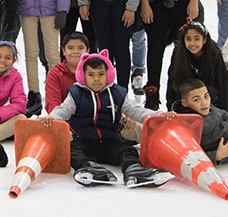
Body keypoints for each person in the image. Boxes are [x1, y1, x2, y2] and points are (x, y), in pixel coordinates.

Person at [41, 51, 172, 188]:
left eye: (101, 74)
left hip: (110, 143)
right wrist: (52, 117)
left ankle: (134, 170)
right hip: (84, 143)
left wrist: (159, 115)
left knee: (128, 150)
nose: (96, 79)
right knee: (69, 150)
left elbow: (136, 111)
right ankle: (89, 168)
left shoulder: (117, 94)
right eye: (91, 75)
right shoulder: (76, 94)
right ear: (83, 75)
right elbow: (63, 109)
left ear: (108, 75)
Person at [166, 21, 228, 111]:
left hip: (208, 95)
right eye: (188, 39)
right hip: (186, 94)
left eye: (196, 39)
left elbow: (222, 85)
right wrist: (171, 110)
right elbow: (172, 82)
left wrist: (225, 115)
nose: (192, 43)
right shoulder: (178, 52)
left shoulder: (214, 54)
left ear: (204, 40)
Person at [45, 32, 89, 114]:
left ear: (87, 51)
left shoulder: (94, 72)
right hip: (63, 121)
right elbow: (52, 104)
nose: (75, 51)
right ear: (63, 51)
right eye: (70, 48)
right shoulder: (55, 74)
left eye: (80, 48)